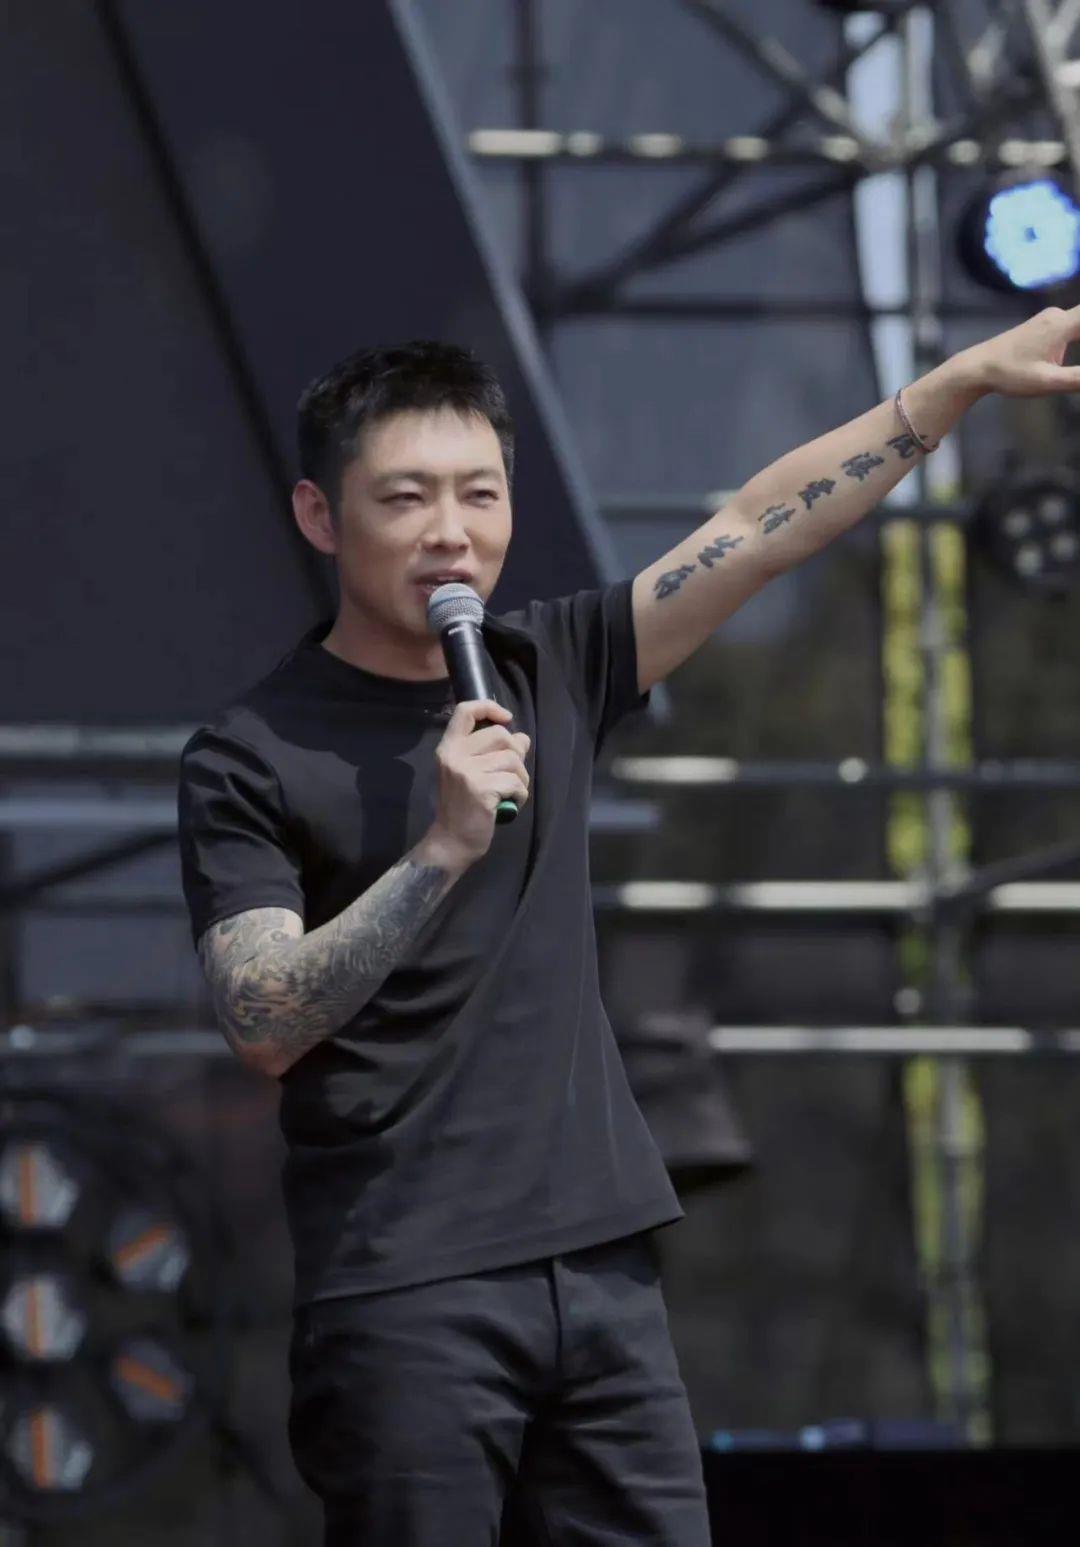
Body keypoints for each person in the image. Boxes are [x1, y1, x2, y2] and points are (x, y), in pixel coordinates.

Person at [177, 313, 1080, 1545]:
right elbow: (262, 1016)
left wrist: (958, 384)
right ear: (320, 515)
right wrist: (442, 848)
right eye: (406, 496)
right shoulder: (252, 752)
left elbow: (761, 526)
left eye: (480, 493)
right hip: (406, 1285)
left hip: (600, 1269)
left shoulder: (546, 664)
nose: (451, 531)